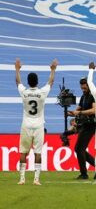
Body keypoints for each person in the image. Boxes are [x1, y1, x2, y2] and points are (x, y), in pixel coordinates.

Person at [15, 58, 57, 186]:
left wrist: (17, 69)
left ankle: (22, 179)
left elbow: (17, 82)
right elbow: (51, 82)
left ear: (28, 82)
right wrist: (53, 70)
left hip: (26, 125)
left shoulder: (24, 92)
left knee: (23, 152)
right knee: (38, 152)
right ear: (37, 82)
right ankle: (36, 179)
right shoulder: (41, 92)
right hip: (38, 125)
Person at [66, 78, 96, 180]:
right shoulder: (83, 96)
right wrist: (70, 113)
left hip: (91, 125)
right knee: (79, 149)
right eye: (81, 87)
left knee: (79, 149)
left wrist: (79, 113)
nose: (83, 89)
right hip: (84, 124)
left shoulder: (93, 95)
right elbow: (78, 109)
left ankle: (84, 173)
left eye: (84, 87)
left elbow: (94, 110)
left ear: (88, 86)